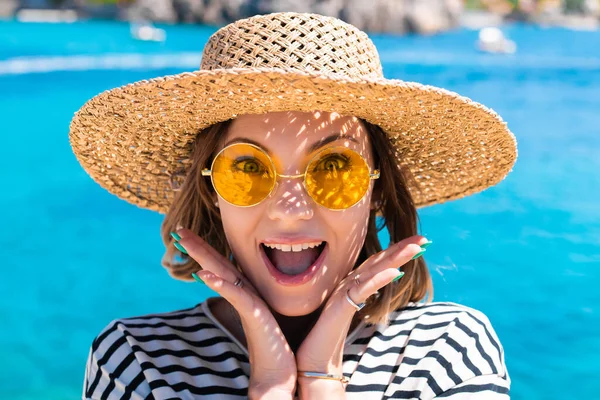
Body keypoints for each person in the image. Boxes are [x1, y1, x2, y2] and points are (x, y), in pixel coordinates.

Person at [71, 12, 516, 400]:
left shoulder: (447, 352)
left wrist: (322, 380)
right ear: (211, 190)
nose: (291, 210)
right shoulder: (139, 361)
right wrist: (269, 386)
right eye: (246, 168)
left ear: (378, 189)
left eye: (336, 165)